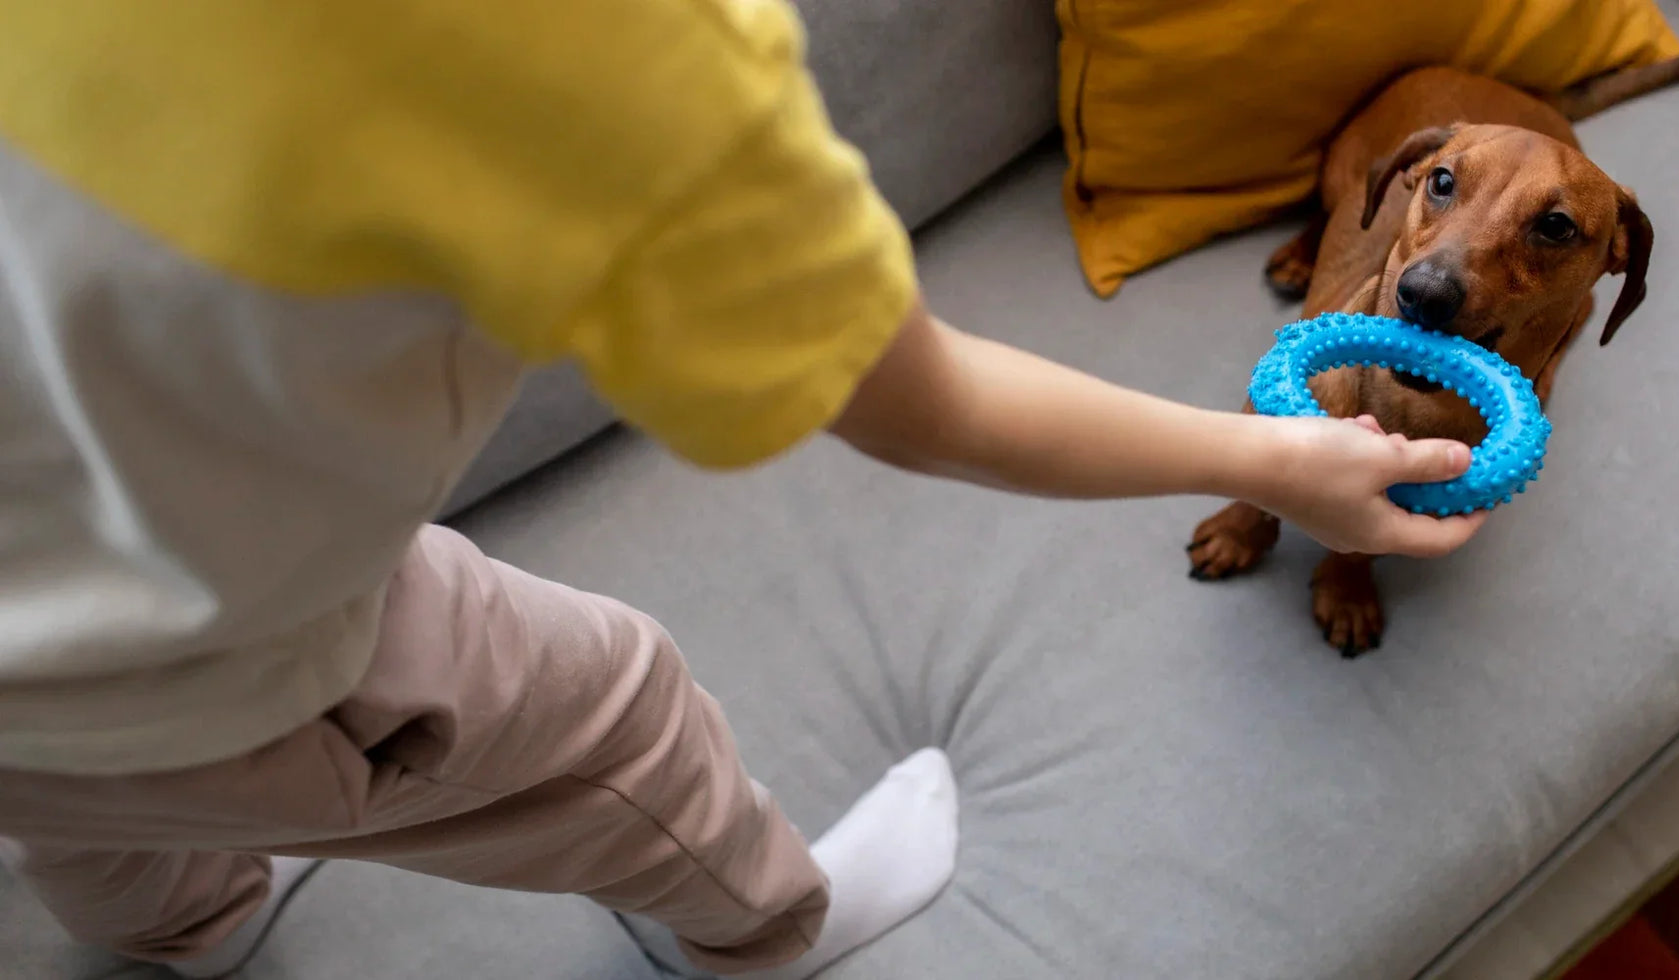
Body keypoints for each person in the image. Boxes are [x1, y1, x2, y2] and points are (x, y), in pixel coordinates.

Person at [0, 0, 1484, 976]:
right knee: (613, 704)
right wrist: (1283, 459)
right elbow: (924, 403)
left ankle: (182, 925)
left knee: (71, 800)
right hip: (189, 637)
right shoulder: (605, 57)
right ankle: (766, 931)